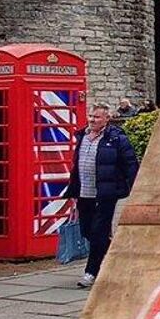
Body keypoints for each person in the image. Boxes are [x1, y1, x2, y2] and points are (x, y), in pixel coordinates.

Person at [65, 102, 140, 288]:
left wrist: (136, 189)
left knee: (99, 231)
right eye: (90, 116)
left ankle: (90, 272)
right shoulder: (81, 136)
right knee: (87, 231)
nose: (92, 120)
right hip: (83, 193)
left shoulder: (116, 138)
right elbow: (77, 165)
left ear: (107, 118)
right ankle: (115, 256)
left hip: (106, 193)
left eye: (97, 117)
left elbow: (131, 164)